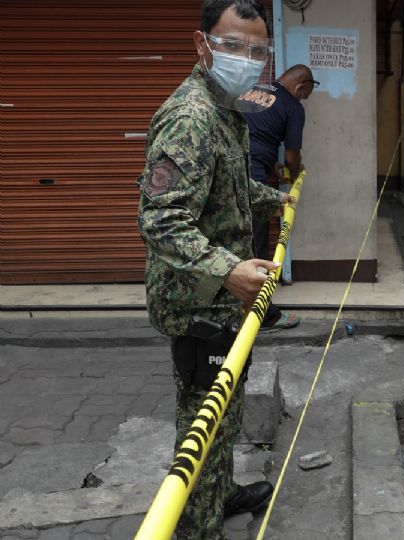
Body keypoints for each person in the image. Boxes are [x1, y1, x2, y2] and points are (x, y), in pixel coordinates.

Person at [137, 1, 293, 537]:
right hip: (195, 303)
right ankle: (198, 526)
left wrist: (275, 199)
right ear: (201, 44)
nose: (246, 59)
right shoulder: (192, 116)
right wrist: (228, 271)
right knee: (203, 424)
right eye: (232, 46)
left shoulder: (226, 108)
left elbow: (223, 188)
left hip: (221, 300)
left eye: (257, 50)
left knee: (223, 416)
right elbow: (161, 219)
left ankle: (220, 493)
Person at [243, 64, 313, 330]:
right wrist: (294, 173)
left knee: (232, 237)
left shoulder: (252, 90)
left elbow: (257, 134)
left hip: (223, 169)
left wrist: (272, 165)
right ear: (300, 87)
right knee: (258, 243)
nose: (303, 98)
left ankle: (232, 305)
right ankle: (263, 314)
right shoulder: (294, 108)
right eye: (305, 94)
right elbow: (292, 156)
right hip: (251, 174)